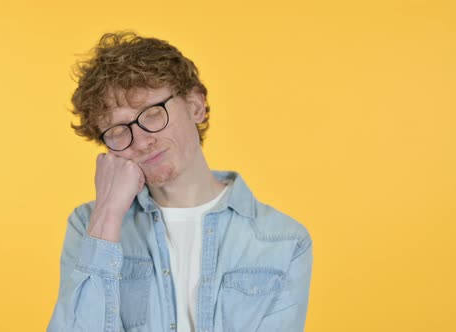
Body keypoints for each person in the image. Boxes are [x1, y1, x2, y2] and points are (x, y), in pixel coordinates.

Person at [47, 31, 313, 332]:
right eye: (118, 130)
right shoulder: (88, 225)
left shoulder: (284, 240)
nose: (141, 141)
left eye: (151, 114)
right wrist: (108, 215)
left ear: (195, 105)